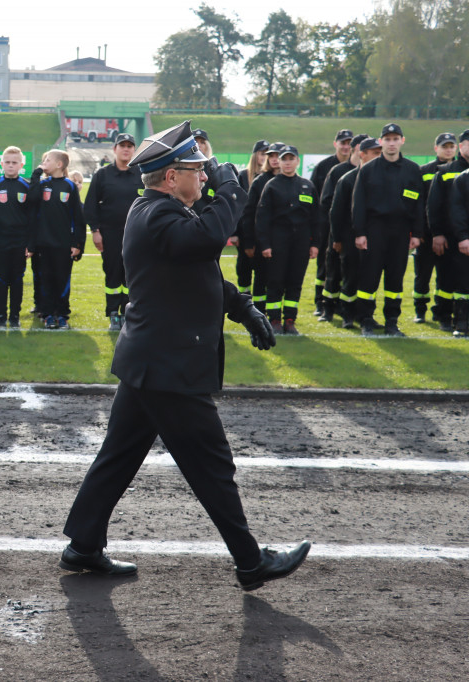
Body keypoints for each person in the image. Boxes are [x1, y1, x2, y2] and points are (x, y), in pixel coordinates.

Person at [60, 120, 309, 590]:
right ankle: (250, 561)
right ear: (172, 177)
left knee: (118, 455)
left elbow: (200, 270)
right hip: (168, 367)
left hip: (151, 361)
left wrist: (244, 309)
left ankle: (83, 545)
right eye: (196, 169)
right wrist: (232, 185)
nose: (204, 176)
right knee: (213, 465)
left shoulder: (162, 210)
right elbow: (210, 239)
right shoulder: (157, 214)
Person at [351, 123, 424, 336]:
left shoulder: (412, 170)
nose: (391, 143)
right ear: (381, 142)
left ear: (402, 141)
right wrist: (360, 232)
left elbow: (418, 204)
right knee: (369, 277)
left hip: (401, 231)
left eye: (395, 139)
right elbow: (359, 204)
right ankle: (366, 320)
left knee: (395, 278)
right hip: (375, 229)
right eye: (387, 139)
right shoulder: (368, 170)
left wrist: (417, 233)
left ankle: (392, 322)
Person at [255, 145, 319, 335]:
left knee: (295, 281)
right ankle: (274, 319)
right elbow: (262, 217)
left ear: (297, 161)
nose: (288, 162)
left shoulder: (307, 186)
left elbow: (316, 218)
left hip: (301, 241)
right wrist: (265, 244)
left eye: (291, 159)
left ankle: (290, 320)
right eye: (284, 159)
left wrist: (315, 243)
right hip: (278, 240)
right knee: (275, 281)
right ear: (279, 163)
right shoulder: (272, 185)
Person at [84, 132, 144, 330]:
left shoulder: (141, 174)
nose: (126, 149)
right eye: (122, 145)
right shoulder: (103, 175)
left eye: (130, 146)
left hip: (136, 236)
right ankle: (112, 314)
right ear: (114, 149)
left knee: (131, 275)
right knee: (112, 274)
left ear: (134, 150)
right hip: (109, 234)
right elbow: (90, 204)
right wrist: (95, 231)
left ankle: (128, 313)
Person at [27, 149, 85, 329]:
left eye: (47, 160)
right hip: (44, 244)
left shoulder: (69, 186)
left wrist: (77, 243)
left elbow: (78, 217)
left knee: (62, 280)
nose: (43, 162)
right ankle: (47, 314)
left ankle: (62, 315)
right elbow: (31, 199)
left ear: (59, 164)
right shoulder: (43, 184)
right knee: (46, 280)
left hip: (64, 245)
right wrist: (37, 172)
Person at [331, 137, 382, 329]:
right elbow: (336, 212)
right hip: (350, 237)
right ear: (362, 154)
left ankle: (365, 315)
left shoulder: (379, 178)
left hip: (375, 237)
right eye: (374, 153)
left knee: (370, 278)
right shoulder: (348, 179)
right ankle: (347, 314)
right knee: (350, 277)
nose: (379, 156)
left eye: (380, 153)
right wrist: (336, 238)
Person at [317, 134, 368, 323]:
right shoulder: (340, 172)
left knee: (356, 273)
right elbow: (327, 202)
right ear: (358, 150)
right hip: (339, 230)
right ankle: (327, 309)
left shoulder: (369, 172)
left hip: (361, 232)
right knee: (333, 272)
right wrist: (335, 232)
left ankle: (352, 312)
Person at [425, 130, 469, 332]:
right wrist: (437, 233)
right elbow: (434, 206)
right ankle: (443, 314)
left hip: (464, 235)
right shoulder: (445, 171)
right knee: (446, 277)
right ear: (461, 147)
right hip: (450, 236)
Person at [0, 146, 34, 329]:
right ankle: (0, 317)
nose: (11, 165)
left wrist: (30, 243)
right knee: (0, 278)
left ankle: (14, 316)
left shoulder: (27, 186)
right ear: (2, 164)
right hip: (0, 241)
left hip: (20, 242)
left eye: (15, 162)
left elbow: (32, 218)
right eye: (7, 162)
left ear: (21, 164)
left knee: (17, 279)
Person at [412, 133, 457, 323]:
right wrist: (418, 231)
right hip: (427, 235)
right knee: (422, 275)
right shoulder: (424, 170)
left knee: (446, 276)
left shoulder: (461, 169)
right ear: (435, 148)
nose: (448, 149)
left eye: (451, 146)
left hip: (451, 235)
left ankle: (442, 311)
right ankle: (420, 310)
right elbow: (417, 204)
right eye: (444, 146)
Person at [310, 130, 354, 316]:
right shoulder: (324, 166)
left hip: (347, 227)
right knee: (324, 266)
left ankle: (340, 304)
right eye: (342, 143)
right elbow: (316, 198)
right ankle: (320, 302)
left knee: (345, 267)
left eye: (349, 143)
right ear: (335, 144)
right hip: (326, 226)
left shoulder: (358, 169)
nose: (345, 147)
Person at [239, 142, 283, 313]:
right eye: (270, 156)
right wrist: (249, 242)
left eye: (277, 156)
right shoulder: (260, 181)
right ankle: (257, 311)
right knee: (261, 277)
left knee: (278, 278)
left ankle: (275, 315)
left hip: (282, 240)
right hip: (261, 239)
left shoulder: (291, 182)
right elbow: (249, 213)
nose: (274, 159)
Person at [234, 140, 269, 299]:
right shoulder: (243, 175)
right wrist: (234, 233)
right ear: (255, 156)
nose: (264, 158)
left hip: (264, 233)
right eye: (262, 154)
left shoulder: (270, 178)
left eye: (267, 154)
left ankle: (260, 303)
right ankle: (244, 297)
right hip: (244, 232)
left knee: (263, 271)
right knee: (244, 267)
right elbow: (236, 206)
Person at [447, 163, 469, 336]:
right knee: (463, 282)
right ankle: (461, 323)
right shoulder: (462, 179)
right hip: (467, 241)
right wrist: (462, 237)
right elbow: (457, 210)